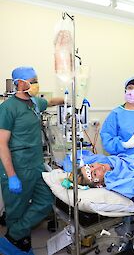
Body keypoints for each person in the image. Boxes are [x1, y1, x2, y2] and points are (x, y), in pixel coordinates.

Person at [0, 66, 64, 255]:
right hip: (16, 164)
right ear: (19, 83)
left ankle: (13, 238)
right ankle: (18, 246)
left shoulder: (34, 103)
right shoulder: (7, 108)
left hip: (35, 163)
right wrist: (11, 176)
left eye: (36, 80)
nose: (36, 84)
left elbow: (50, 101)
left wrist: (70, 99)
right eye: (32, 80)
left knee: (46, 199)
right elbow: (2, 144)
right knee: (16, 211)